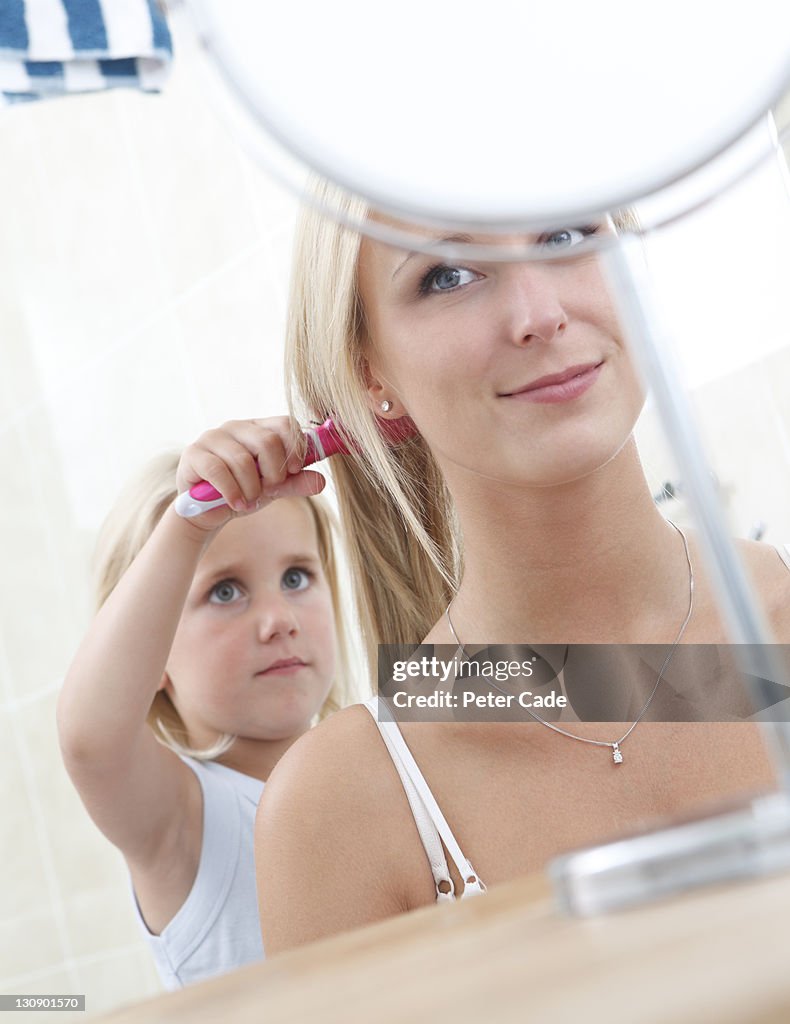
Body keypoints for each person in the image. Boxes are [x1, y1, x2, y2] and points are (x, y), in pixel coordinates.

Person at [254, 183, 790, 953]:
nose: (540, 314)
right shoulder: (343, 807)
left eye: (568, 235)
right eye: (448, 274)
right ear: (370, 373)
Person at [57, 418, 355, 988]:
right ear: (153, 652)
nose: (278, 620)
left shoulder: (373, 770)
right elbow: (90, 741)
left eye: (296, 577)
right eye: (225, 591)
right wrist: (186, 529)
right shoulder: (186, 822)